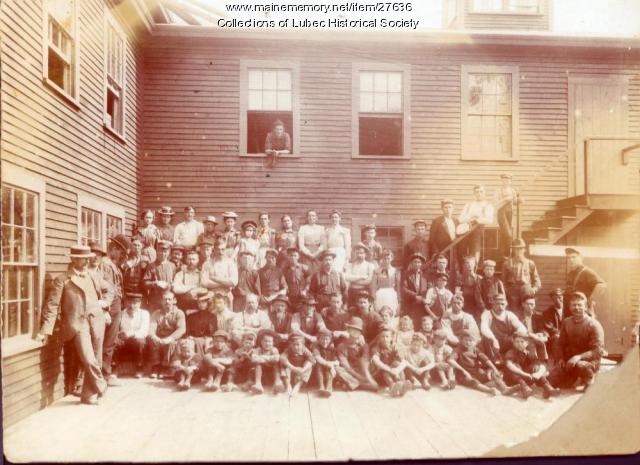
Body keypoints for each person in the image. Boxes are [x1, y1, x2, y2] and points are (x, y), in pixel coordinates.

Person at [37, 245, 113, 404]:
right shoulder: (63, 280)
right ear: (73, 259)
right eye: (82, 258)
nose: (86, 261)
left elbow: (110, 290)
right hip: (77, 324)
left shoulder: (94, 275)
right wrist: (45, 330)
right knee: (88, 357)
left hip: (97, 320)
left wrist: (104, 303)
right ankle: (101, 385)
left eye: (87, 258)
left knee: (96, 359)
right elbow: (52, 305)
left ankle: (88, 395)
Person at [550, 292, 605, 391]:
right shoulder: (567, 322)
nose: (576, 308)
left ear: (585, 307)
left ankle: (589, 379)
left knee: (582, 366)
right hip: (570, 361)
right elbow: (560, 344)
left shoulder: (593, 325)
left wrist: (579, 357)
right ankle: (575, 379)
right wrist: (560, 358)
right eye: (573, 305)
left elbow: (598, 351)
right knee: (552, 380)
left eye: (580, 305)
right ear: (569, 307)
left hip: (589, 362)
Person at [99, 234, 130, 387]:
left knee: (110, 341)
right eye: (121, 252)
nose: (122, 256)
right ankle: (103, 374)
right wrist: (107, 309)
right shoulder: (106, 264)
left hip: (116, 304)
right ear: (114, 248)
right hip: (110, 305)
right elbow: (107, 289)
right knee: (107, 341)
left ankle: (105, 372)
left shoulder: (114, 264)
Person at [503, 330, 559, 399]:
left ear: (526, 343)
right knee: (515, 366)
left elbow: (540, 364)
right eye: (517, 342)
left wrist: (537, 373)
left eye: (522, 342)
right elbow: (509, 365)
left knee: (535, 367)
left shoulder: (530, 352)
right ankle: (525, 388)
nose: (519, 344)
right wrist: (525, 374)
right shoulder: (511, 352)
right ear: (513, 343)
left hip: (527, 378)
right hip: (513, 380)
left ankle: (547, 387)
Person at [450, 329, 507, 396]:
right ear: (461, 340)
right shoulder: (457, 350)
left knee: (491, 375)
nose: (468, 342)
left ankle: (505, 388)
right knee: (473, 382)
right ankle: (490, 390)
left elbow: (485, 359)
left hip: (477, 371)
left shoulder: (474, 349)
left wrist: (495, 369)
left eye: (470, 340)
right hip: (464, 374)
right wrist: (463, 371)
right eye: (466, 340)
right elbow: (451, 360)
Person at [146, 290, 186, 378]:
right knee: (152, 341)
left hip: (173, 338)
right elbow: (151, 329)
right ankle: (156, 367)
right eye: (165, 299)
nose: (167, 302)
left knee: (172, 343)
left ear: (174, 301)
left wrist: (170, 338)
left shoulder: (179, 313)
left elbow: (181, 329)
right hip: (159, 337)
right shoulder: (156, 313)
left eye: (169, 299)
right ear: (161, 301)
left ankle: (165, 367)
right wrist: (155, 337)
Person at [480, 293, 527, 364]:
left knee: (518, 339)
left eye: (502, 304)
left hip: (506, 341)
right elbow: (484, 328)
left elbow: (522, 328)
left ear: (506, 304)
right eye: (497, 304)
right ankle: (494, 360)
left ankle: (514, 359)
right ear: (492, 304)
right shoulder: (487, 314)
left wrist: (516, 334)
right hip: (493, 343)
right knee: (486, 338)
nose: (500, 307)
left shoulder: (509, 314)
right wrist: (494, 339)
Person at [313, 328, 360, 396]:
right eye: (322, 339)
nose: (325, 341)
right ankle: (321, 387)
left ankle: (329, 389)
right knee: (319, 365)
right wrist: (329, 364)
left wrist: (332, 365)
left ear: (330, 340)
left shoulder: (332, 348)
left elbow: (337, 361)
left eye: (327, 339)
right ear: (318, 339)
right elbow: (318, 358)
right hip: (318, 374)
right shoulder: (316, 347)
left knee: (332, 369)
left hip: (329, 372)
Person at [336, 317, 379, 391]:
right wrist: (358, 376)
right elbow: (346, 366)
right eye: (353, 329)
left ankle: (353, 384)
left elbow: (365, 362)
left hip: (362, 370)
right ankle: (361, 386)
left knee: (375, 364)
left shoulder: (364, 345)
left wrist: (368, 377)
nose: (355, 332)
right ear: (348, 330)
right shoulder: (341, 346)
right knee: (337, 369)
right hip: (350, 371)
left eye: (358, 331)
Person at [458, 184, 495, 268]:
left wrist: (477, 219)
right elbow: (460, 219)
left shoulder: (488, 205)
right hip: (467, 230)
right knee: (462, 251)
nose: (479, 193)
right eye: (477, 192)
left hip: (479, 232)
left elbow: (489, 219)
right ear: (474, 193)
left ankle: (473, 271)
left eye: (481, 191)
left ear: (484, 193)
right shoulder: (469, 205)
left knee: (475, 252)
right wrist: (471, 218)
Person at [564, 247, 607, 317]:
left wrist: (590, 301)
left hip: (582, 311)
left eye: (573, 257)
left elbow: (601, 285)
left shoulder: (586, 272)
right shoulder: (571, 274)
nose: (570, 260)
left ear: (581, 258)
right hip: (570, 310)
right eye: (568, 258)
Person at [116, 292, 150, 378]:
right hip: (123, 340)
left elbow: (144, 331)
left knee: (140, 342)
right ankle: (114, 368)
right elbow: (116, 329)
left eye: (135, 303)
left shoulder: (144, 314)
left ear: (140, 303)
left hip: (136, 339)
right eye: (129, 302)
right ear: (125, 302)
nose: (132, 306)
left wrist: (131, 334)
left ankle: (139, 367)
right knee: (114, 341)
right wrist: (119, 334)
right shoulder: (121, 313)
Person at [502, 238, 541, 312]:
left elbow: (537, 280)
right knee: (514, 313)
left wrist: (533, 290)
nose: (518, 251)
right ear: (513, 250)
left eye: (520, 249)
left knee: (527, 312)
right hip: (513, 292)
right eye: (516, 249)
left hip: (526, 291)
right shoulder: (507, 263)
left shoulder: (530, 263)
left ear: (524, 250)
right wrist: (507, 291)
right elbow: (503, 281)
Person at [370, 328, 411, 397]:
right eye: (382, 337)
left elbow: (404, 362)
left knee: (396, 363)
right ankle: (392, 387)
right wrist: (390, 370)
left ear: (391, 338)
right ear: (379, 338)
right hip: (380, 376)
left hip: (394, 374)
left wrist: (397, 370)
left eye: (387, 336)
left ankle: (402, 386)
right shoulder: (376, 348)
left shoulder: (394, 347)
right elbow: (376, 361)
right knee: (383, 368)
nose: (385, 339)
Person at [200, 235, 238, 308]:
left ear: (226, 249)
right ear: (214, 249)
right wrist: (225, 283)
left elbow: (233, 282)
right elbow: (204, 282)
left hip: (226, 295)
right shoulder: (207, 263)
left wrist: (215, 278)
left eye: (223, 249)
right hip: (212, 295)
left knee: (227, 318)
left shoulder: (230, 263)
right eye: (218, 249)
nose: (221, 252)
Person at [143, 240, 176, 311]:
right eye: (160, 251)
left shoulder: (172, 266)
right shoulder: (151, 265)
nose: (163, 254)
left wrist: (171, 285)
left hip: (168, 300)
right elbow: (145, 283)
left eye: (165, 252)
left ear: (169, 252)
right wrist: (155, 283)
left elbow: (174, 281)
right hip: (156, 300)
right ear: (157, 251)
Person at [250, 329, 285, 395]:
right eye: (265, 341)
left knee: (276, 364)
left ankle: (277, 382)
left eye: (270, 341)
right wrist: (268, 359)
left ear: (273, 343)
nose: (267, 343)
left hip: (272, 374)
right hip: (262, 374)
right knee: (258, 364)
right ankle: (258, 384)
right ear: (261, 342)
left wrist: (262, 358)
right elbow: (254, 359)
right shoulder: (258, 350)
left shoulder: (274, 349)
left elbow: (276, 358)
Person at [280, 332, 315, 397]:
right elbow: (282, 358)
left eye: (298, 345)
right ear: (290, 344)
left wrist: (303, 369)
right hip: (290, 373)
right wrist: (293, 368)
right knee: (284, 366)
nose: (296, 347)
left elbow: (312, 359)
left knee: (309, 365)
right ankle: (288, 386)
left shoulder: (304, 350)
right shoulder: (288, 350)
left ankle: (297, 387)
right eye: (294, 344)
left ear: (302, 345)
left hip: (301, 374)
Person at [401, 253, 430, 328]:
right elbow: (404, 289)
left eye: (419, 262)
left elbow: (429, 288)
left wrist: (425, 298)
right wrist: (415, 296)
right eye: (415, 262)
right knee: (412, 325)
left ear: (421, 264)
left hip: (423, 305)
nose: (417, 264)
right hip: (411, 304)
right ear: (411, 263)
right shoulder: (406, 274)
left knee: (423, 325)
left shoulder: (425, 275)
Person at [538, 288, 566, 365]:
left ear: (563, 297)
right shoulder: (547, 312)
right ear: (552, 299)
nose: (558, 300)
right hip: (556, 335)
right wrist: (560, 333)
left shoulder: (569, 309)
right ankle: (558, 362)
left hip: (570, 333)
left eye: (560, 297)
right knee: (556, 338)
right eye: (555, 298)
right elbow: (549, 326)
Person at [494, 173, 518, 258]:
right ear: (501, 181)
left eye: (508, 180)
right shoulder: (498, 191)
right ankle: (507, 255)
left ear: (510, 181)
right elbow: (495, 204)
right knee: (508, 234)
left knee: (506, 234)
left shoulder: (512, 190)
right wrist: (505, 199)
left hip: (510, 213)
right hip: (501, 213)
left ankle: (504, 254)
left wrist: (519, 200)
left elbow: (515, 202)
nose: (506, 182)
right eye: (504, 180)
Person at [370, 249, 400, 315]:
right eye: (384, 258)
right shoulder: (376, 271)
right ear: (381, 259)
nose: (386, 260)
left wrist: (399, 302)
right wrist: (373, 300)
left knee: (391, 313)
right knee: (380, 313)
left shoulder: (395, 271)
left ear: (392, 258)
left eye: (388, 258)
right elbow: (373, 287)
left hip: (391, 294)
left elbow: (398, 288)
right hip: (380, 294)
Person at [520, 296, 549, 361]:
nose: (530, 306)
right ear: (523, 304)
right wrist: (532, 335)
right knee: (535, 342)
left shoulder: (538, 315)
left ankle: (543, 362)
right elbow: (518, 331)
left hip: (536, 336)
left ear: (535, 305)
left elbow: (542, 328)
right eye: (527, 304)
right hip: (524, 337)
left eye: (532, 304)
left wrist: (541, 333)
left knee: (541, 340)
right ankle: (538, 360)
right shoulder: (518, 316)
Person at [298, 210, 326, 274]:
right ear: (307, 218)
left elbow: (323, 244)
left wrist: (316, 253)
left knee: (318, 271)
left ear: (316, 218)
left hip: (318, 253)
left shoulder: (321, 228)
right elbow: (301, 245)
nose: (311, 217)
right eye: (309, 216)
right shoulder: (303, 228)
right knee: (307, 271)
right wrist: (309, 254)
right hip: (306, 253)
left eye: (313, 216)